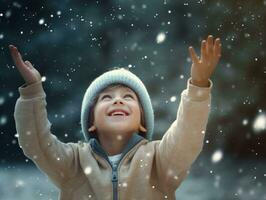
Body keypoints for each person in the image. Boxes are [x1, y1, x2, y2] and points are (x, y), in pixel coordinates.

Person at [11, 35, 221, 200]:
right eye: (106, 98)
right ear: (91, 123)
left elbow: (188, 137)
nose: (117, 101)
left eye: (128, 97)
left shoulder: (160, 161)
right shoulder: (72, 163)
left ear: (142, 121)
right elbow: (36, 142)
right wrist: (32, 91)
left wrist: (198, 86)